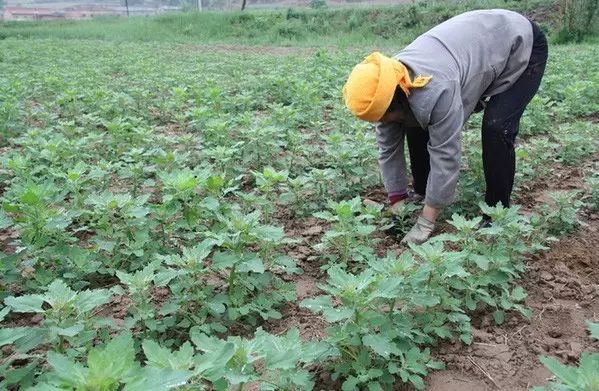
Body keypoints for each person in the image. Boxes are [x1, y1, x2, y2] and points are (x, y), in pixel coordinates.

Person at [342, 9, 548, 244]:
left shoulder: (436, 89)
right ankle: (422, 193)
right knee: (413, 120)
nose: (383, 124)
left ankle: (496, 212)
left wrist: (427, 221)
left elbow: (446, 153)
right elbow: (388, 150)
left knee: (497, 128)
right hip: (476, 45)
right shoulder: (387, 88)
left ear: (397, 99)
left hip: (519, 43)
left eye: (385, 118)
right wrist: (397, 201)